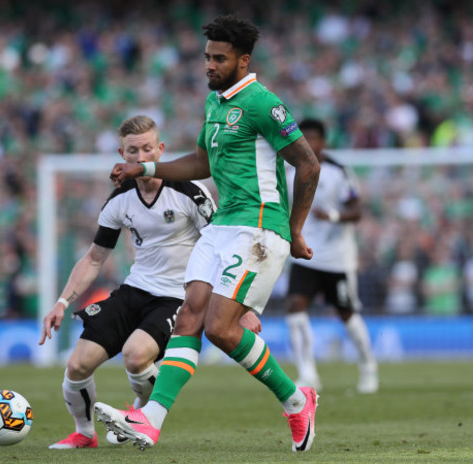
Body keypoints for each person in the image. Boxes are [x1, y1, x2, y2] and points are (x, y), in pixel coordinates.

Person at [94, 14, 321, 453]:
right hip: (221, 227)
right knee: (189, 316)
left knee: (220, 328)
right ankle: (151, 421)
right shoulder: (216, 104)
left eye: (220, 58)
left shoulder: (262, 103)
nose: (210, 65)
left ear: (243, 60)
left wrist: (294, 230)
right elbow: (202, 164)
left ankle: (297, 400)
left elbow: (308, 164)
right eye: (207, 57)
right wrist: (143, 168)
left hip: (258, 227)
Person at [38, 115, 217, 449]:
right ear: (122, 153)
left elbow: (221, 244)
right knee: (77, 365)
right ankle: (85, 434)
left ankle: (141, 415)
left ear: (160, 150)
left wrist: (235, 302)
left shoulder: (190, 192)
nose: (140, 157)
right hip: (135, 290)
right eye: (133, 151)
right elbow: (95, 257)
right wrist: (61, 302)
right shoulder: (119, 198)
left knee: (135, 356)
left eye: (148, 149)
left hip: (178, 297)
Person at [284, 118, 379, 394]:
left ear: (323, 142)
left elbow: (357, 211)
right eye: (304, 138)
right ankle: (307, 373)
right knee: (294, 307)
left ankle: (368, 367)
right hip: (304, 254)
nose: (309, 143)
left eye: (314, 138)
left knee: (346, 312)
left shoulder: (339, 171)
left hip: (337, 257)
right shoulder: (290, 170)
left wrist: (333, 216)